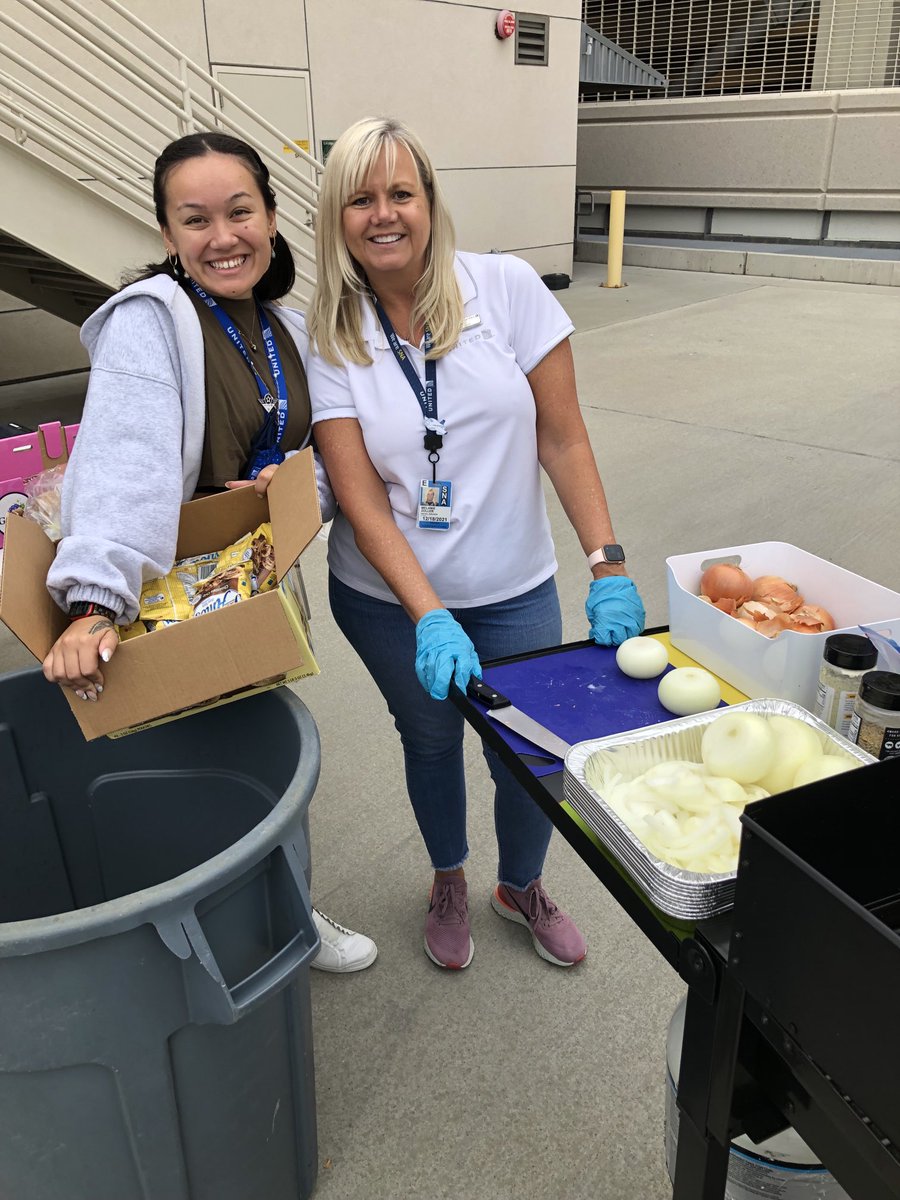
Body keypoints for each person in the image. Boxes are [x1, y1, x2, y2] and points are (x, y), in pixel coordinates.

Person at [305, 117, 646, 971]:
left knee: (532, 754)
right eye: (360, 198)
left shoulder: (507, 289)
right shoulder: (330, 332)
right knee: (429, 741)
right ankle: (449, 876)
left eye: (400, 193)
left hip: (514, 586)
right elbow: (359, 497)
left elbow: (563, 439)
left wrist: (607, 563)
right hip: (388, 602)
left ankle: (521, 885)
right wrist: (427, 613)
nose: (383, 214)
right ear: (337, 218)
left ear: (429, 202)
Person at [41, 130, 376, 975]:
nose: (222, 236)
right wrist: (93, 603)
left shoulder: (290, 326)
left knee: (261, 760)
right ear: (167, 236)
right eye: (195, 220)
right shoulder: (152, 325)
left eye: (240, 212)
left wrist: (294, 488)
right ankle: (196, 947)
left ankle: (284, 912)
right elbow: (128, 461)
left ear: (270, 217)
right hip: (160, 599)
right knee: (190, 773)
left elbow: (331, 465)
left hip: (248, 587)